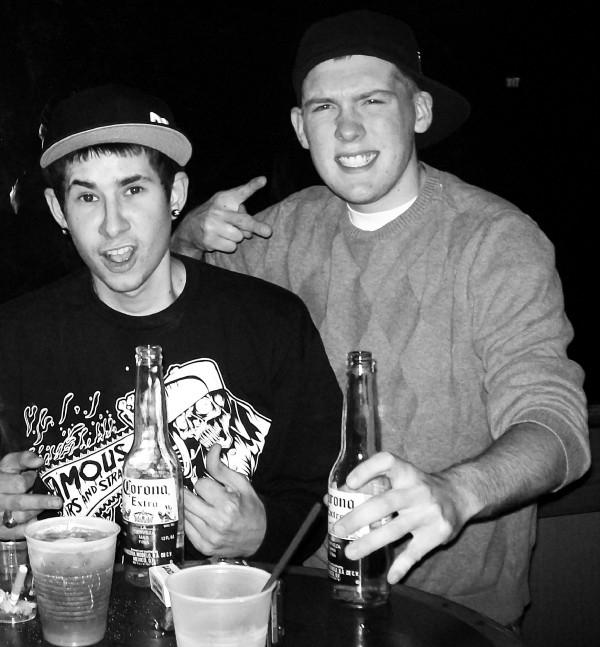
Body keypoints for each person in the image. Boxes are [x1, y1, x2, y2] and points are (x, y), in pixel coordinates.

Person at [170, 9, 591, 627]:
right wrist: (187, 238)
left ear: (418, 111)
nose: (347, 129)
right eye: (324, 108)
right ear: (300, 127)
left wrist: (456, 491)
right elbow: (176, 315)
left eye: (372, 100)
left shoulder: (496, 240)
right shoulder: (277, 234)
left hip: (456, 608)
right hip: (300, 591)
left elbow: (556, 426)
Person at [0, 83, 342, 566]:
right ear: (59, 210)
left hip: (228, 606)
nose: (112, 225)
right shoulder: (14, 337)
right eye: (87, 197)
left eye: (133, 190)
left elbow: (319, 494)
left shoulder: (271, 322)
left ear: (175, 194)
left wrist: (263, 529)